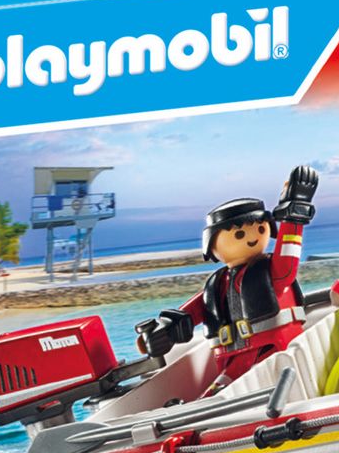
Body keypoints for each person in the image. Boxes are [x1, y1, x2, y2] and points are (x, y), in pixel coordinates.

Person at [136, 166, 321, 393]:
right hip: (232, 362)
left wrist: (293, 215)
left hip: (275, 351)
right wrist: (164, 331)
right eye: (239, 234)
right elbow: (190, 314)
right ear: (212, 245)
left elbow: (287, 264)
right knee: (214, 398)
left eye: (260, 229)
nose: (251, 238)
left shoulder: (270, 271)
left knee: (270, 392)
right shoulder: (216, 285)